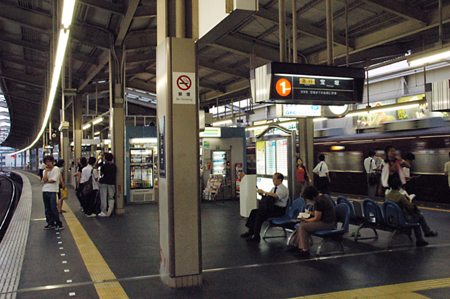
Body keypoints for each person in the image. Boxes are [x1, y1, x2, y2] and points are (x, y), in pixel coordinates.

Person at [385, 177, 437, 247]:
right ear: (399, 186)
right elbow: (411, 207)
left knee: (417, 218)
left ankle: (424, 235)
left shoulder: (387, 196)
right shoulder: (400, 197)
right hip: (401, 220)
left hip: (392, 219)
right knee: (419, 217)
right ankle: (423, 236)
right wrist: (409, 199)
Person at [289, 186, 336, 258]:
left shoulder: (319, 201)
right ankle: (296, 245)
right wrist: (312, 214)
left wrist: (306, 220)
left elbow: (317, 218)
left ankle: (305, 250)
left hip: (327, 223)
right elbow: (321, 213)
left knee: (303, 226)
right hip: (327, 221)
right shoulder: (322, 197)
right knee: (302, 224)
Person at [241, 173, 289, 242]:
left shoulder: (284, 189)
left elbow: (275, 196)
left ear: (280, 180)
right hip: (272, 208)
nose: (273, 181)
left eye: (274, 179)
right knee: (254, 211)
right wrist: (262, 194)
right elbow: (269, 197)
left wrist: (265, 192)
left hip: (279, 210)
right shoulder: (274, 188)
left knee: (260, 214)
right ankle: (251, 231)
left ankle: (256, 235)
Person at [41, 155, 64, 230]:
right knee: (47, 208)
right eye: (46, 162)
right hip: (45, 190)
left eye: (49, 161)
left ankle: (58, 223)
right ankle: (50, 223)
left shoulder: (56, 169)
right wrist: (46, 171)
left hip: (53, 191)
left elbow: (54, 180)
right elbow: (43, 180)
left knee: (53, 207)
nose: (48, 163)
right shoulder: (45, 171)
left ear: (52, 162)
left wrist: (46, 181)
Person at [98, 153, 117, 217]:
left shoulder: (103, 166)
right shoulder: (114, 166)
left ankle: (103, 212)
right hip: (112, 182)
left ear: (105, 159)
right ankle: (110, 211)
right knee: (111, 197)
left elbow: (101, 174)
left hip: (103, 182)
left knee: (103, 197)